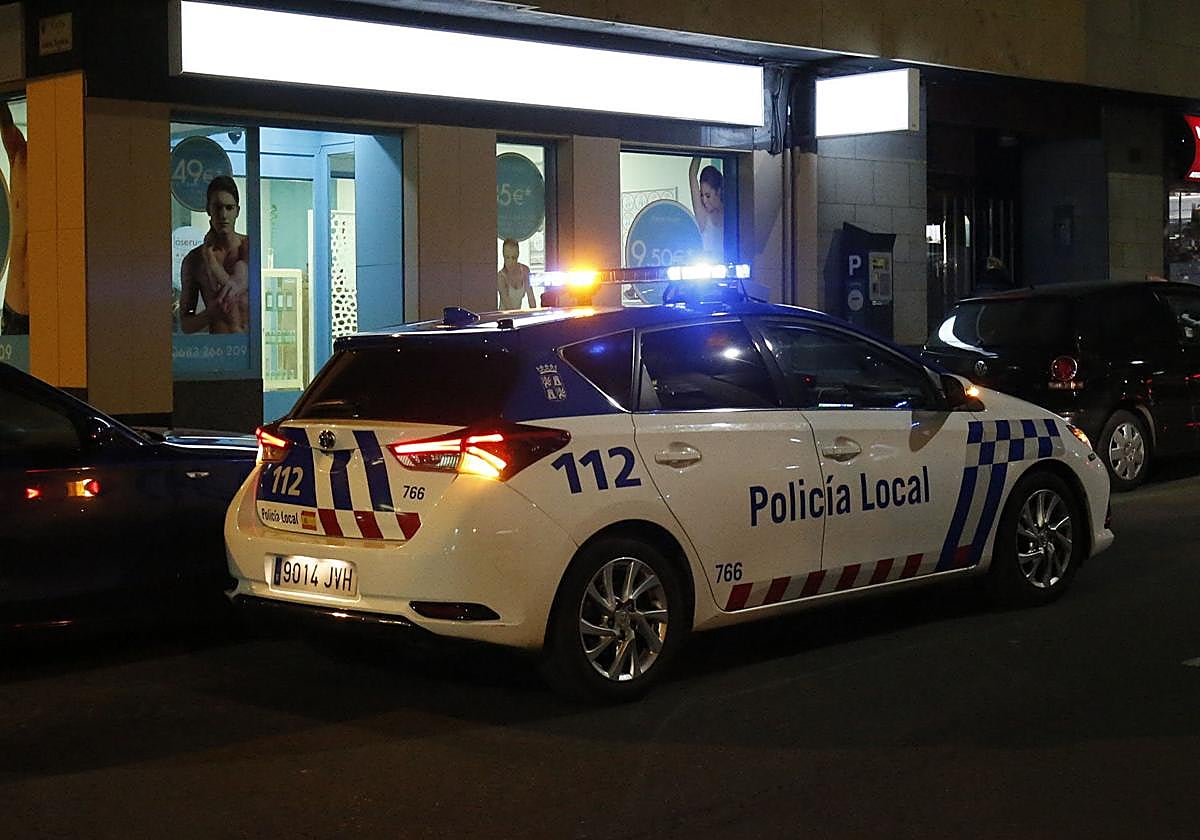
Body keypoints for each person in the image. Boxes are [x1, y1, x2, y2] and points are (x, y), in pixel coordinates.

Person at [180, 175, 250, 333]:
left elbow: (235, 286)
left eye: (229, 208)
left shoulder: (248, 248)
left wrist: (211, 261)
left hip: (248, 350)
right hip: (218, 350)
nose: (223, 215)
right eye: (217, 207)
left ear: (237, 211)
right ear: (208, 210)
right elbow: (185, 324)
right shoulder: (194, 260)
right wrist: (210, 314)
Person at [1, 100, 29, 335]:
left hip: (46, 302)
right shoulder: (20, 157)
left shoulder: (62, 172)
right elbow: (6, 124)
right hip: (15, 301)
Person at [689, 156, 724, 261]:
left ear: (718, 191)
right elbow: (692, 175)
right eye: (701, 195)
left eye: (708, 195)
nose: (704, 200)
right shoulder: (703, 217)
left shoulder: (731, 213)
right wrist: (701, 146)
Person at [497, 237, 535, 310]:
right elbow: (508, 306)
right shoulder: (501, 277)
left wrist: (535, 315)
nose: (510, 262)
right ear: (503, 255)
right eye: (507, 257)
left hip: (517, 315)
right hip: (504, 317)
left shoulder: (525, 270)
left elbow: (531, 299)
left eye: (513, 258)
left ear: (518, 255)